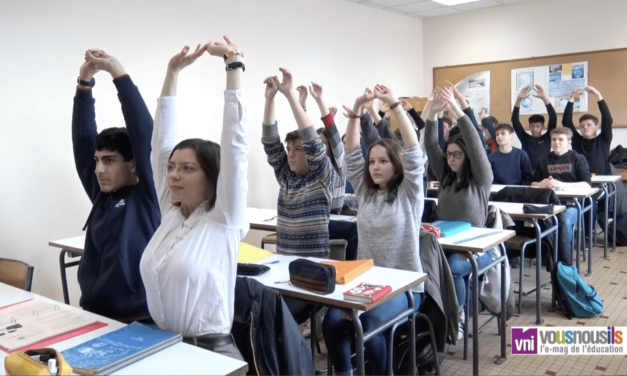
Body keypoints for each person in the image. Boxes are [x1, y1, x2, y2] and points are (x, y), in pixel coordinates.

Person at [139, 37, 248, 360]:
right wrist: (172, 73)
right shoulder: (171, 214)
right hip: (165, 349)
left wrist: (233, 67)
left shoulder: (223, 221)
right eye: (172, 168)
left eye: (187, 169)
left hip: (210, 355)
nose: (173, 175)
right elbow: (160, 146)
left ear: (213, 178)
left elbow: (235, 149)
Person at [322, 84, 426, 375]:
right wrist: (355, 110)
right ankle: (346, 372)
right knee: (330, 322)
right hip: (368, 284)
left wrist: (394, 105)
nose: (375, 167)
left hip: (406, 288)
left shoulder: (410, 194)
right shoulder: (366, 193)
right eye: (372, 162)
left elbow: (413, 150)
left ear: (397, 164)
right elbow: (352, 152)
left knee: (368, 323)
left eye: (383, 162)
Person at [72, 49, 159, 321]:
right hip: (94, 314)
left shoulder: (149, 196)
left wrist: (118, 74)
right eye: (98, 160)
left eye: (109, 160)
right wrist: (84, 84)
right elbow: (83, 140)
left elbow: (144, 133)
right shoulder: (102, 194)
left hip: (138, 321)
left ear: (133, 163)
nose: (98, 169)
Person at [424, 87, 494, 339]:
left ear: (467, 157)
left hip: (478, 248)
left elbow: (475, 144)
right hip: (447, 242)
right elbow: (431, 144)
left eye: (457, 155)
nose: (451, 159)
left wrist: (455, 107)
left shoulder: (481, 178)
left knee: (454, 269)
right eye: (449, 154)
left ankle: (459, 317)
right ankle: (435, 316)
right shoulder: (444, 176)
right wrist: (432, 111)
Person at [261, 69, 335, 257]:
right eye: (289, 149)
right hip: (283, 262)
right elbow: (270, 143)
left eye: (298, 149)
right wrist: (269, 99)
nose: (291, 155)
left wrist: (290, 95)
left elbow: (311, 140)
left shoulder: (322, 176)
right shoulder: (286, 177)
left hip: (314, 266)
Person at [532, 127, 591, 263]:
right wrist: (540, 183)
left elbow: (587, 184)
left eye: (560, 140)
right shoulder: (543, 159)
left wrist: (562, 184)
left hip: (572, 204)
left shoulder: (578, 158)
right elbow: (531, 182)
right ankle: (548, 253)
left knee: (565, 220)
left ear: (569, 142)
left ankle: (561, 258)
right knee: (539, 221)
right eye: (554, 139)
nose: (556, 142)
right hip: (549, 202)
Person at [563, 87, 613, 232]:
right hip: (579, 182)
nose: (585, 127)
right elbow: (566, 121)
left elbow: (608, 120)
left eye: (589, 125)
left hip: (599, 185)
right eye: (582, 126)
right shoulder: (577, 140)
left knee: (589, 199)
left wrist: (598, 95)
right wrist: (572, 98)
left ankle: (587, 234)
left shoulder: (603, 140)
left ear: (597, 127)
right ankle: (569, 231)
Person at [511, 85, 557, 170]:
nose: (535, 129)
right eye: (532, 126)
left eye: (537, 126)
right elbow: (515, 121)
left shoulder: (547, 138)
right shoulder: (525, 138)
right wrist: (518, 99)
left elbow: (553, 117)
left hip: (544, 173)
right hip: (527, 173)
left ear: (543, 127)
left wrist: (544, 98)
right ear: (529, 127)